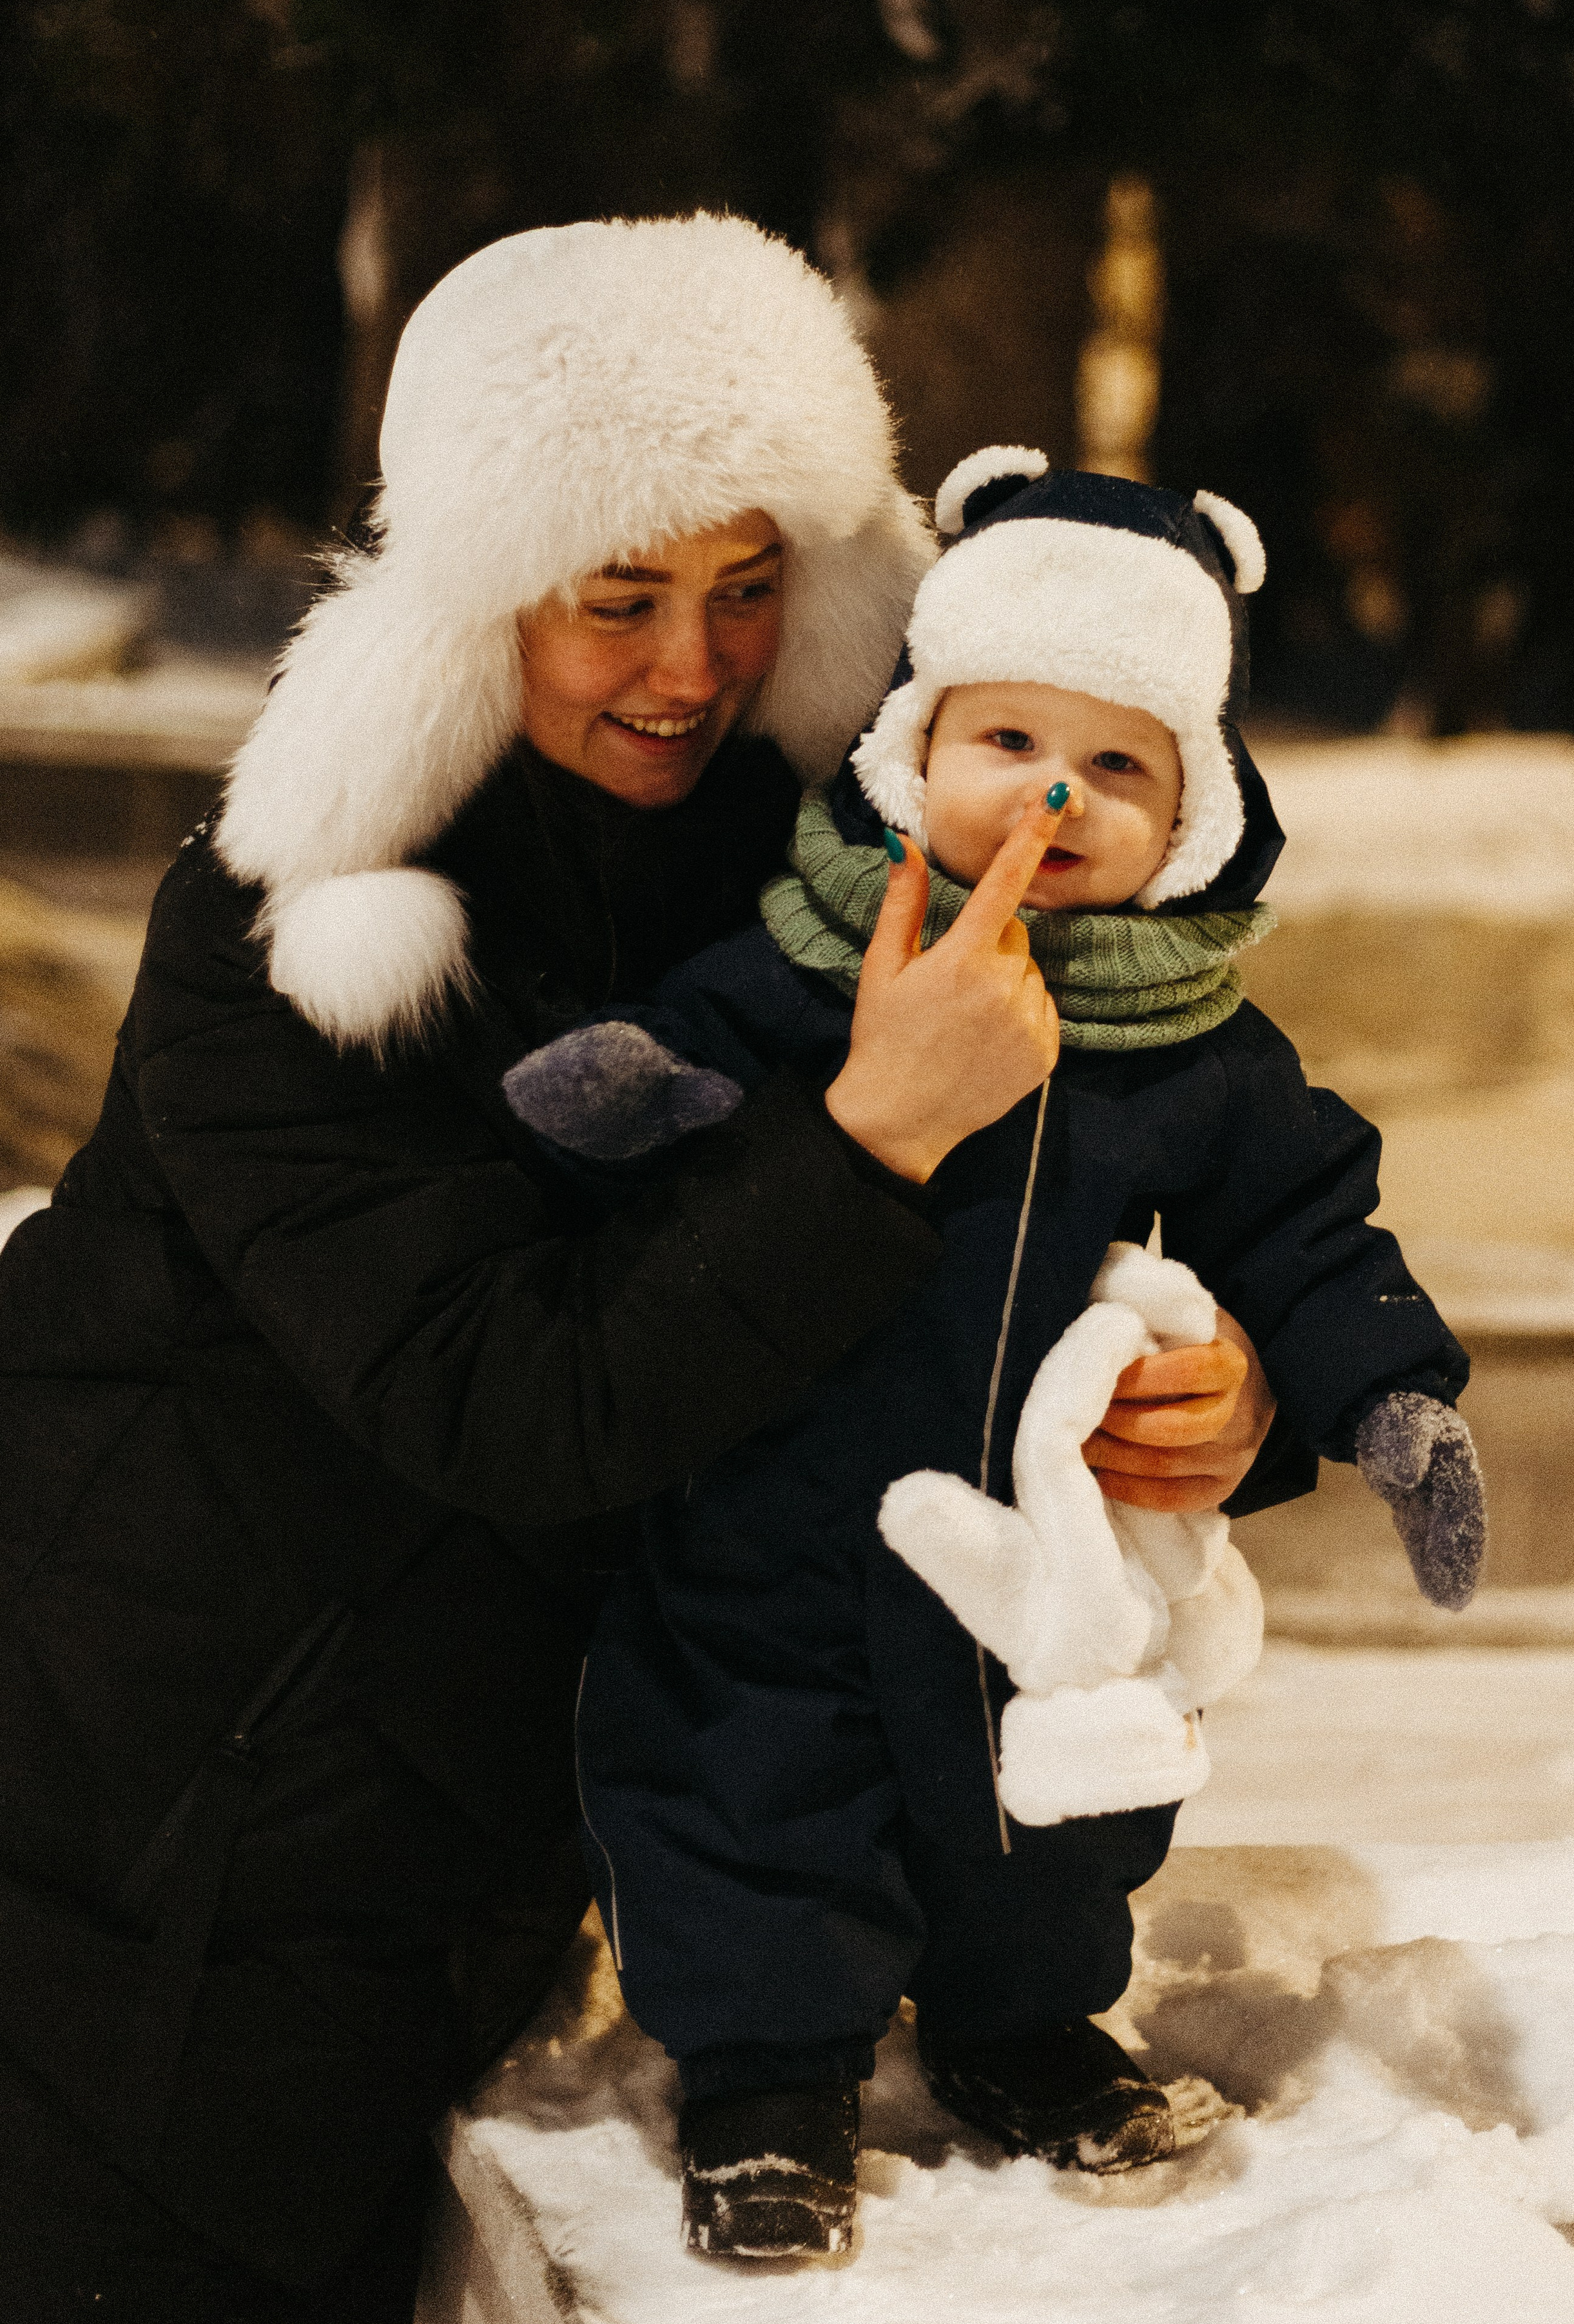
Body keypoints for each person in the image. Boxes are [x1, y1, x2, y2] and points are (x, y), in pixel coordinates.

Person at [0, 225, 1280, 2323]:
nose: (691, 666)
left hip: (490, 1836)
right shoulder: (297, 944)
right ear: (478, 599)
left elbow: (1129, 1168)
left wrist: (1228, 1392)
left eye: (749, 587)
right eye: (619, 601)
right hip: (148, 1851)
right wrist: (868, 1140)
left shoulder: (807, 875)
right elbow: (508, 1404)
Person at [505, 450, 1486, 2262]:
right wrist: (624, 1091)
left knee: (1053, 1822)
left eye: (1119, 765)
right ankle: (765, 2079)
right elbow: (689, 1067)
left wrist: (1382, 1392)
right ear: (913, 745)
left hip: (1052, 1568)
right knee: (751, 1791)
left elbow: (1312, 1230)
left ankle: (1021, 2028)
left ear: (1197, 814)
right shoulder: (806, 966)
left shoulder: (1203, 1054)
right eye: (1010, 739)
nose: (1054, 793)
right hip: (783, 1528)